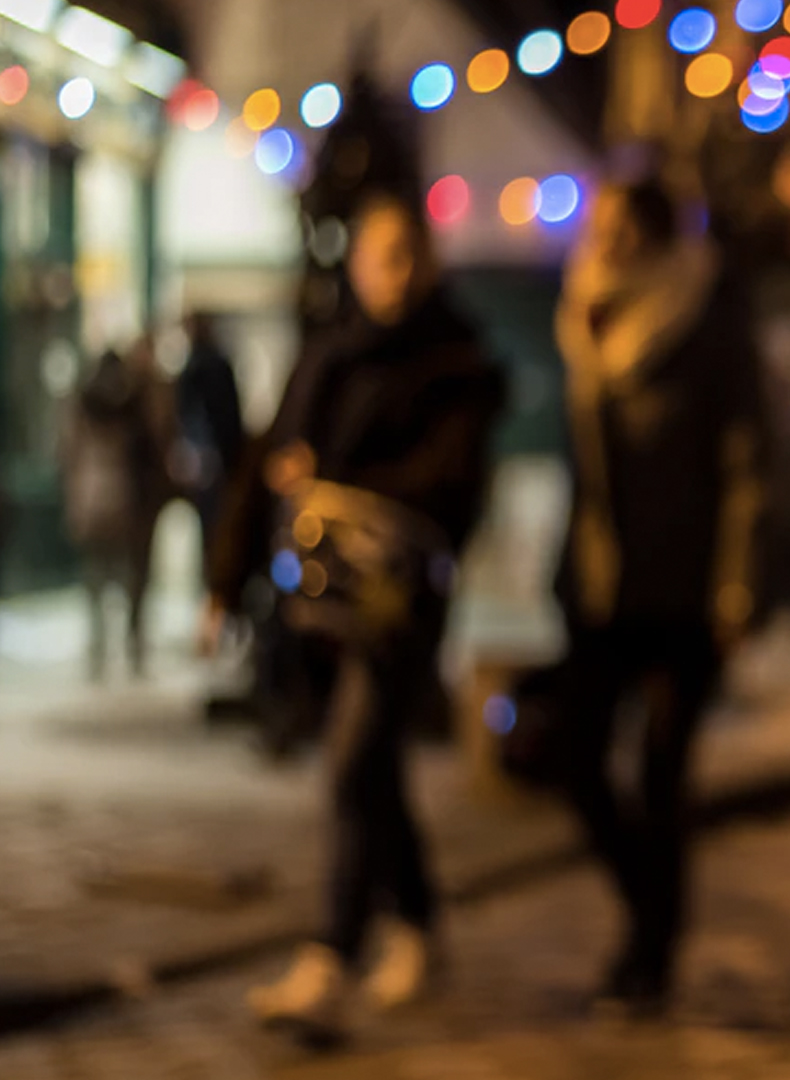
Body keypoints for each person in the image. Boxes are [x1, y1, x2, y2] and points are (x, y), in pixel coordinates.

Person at [204, 192, 504, 1040]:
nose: (393, 275)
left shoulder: (457, 364)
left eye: (408, 256)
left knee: (351, 763)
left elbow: (451, 483)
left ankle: (330, 955)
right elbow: (266, 458)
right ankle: (420, 925)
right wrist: (223, 582)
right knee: (374, 772)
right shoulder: (328, 353)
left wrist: (337, 486)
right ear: (358, 263)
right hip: (316, 600)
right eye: (380, 256)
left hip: (396, 606)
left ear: (430, 263)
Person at [551, 179, 763, 1014]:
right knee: (573, 758)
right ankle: (649, 915)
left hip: (687, 585)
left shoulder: (708, 321)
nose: (603, 239)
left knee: (661, 775)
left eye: (619, 226)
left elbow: (746, 467)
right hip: (601, 582)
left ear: (655, 235)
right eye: (598, 224)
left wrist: (736, 586)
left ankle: (652, 952)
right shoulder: (585, 315)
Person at [58, 339, 174, 681]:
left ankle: (100, 649)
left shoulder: (83, 404)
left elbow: (67, 454)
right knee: (130, 577)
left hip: (92, 497)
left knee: (97, 578)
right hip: (126, 499)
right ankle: (132, 645)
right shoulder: (132, 404)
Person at [171, 311, 247, 567]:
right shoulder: (212, 364)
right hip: (216, 457)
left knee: (213, 522)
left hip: (210, 457)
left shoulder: (197, 367)